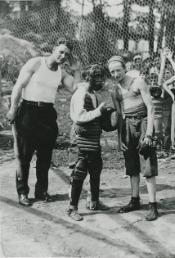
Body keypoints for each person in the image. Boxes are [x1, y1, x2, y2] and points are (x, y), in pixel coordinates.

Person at [7, 38, 79, 206]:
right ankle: (23, 192)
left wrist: (77, 70)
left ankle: (41, 191)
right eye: (60, 51)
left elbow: (75, 88)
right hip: (28, 111)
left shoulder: (61, 72)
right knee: (24, 155)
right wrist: (12, 109)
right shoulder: (36, 63)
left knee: (45, 156)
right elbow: (18, 86)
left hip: (47, 114)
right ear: (53, 49)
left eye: (66, 55)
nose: (62, 56)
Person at [109, 55, 159, 221]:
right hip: (127, 126)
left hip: (143, 122)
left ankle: (153, 205)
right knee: (131, 166)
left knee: (148, 165)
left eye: (118, 70)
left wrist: (149, 133)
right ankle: (135, 200)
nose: (116, 74)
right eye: (112, 72)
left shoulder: (138, 82)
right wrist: (120, 139)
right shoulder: (115, 90)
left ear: (125, 68)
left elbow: (151, 108)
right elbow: (119, 114)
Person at [67, 64, 113, 221]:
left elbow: (96, 115)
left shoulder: (92, 93)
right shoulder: (81, 93)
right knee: (79, 171)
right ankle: (72, 208)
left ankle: (94, 201)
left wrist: (105, 115)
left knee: (95, 168)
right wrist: (98, 112)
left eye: (102, 77)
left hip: (93, 138)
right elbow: (79, 116)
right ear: (89, 78)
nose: (101, 81)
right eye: (98, 78)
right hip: (81, 139)